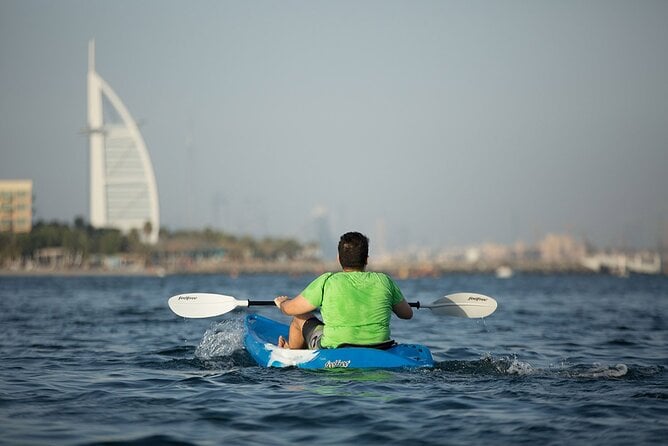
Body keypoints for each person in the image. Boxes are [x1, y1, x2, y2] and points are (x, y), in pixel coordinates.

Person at [273, 231, 413, 349]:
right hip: (380, 347)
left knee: (299, 317)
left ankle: (292, 354)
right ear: (366, 259)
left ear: (339, 259)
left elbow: (291, 309)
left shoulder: (327, 281)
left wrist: (283, 303)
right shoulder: (384, 281)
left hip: (336, 348)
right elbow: (407, 314)